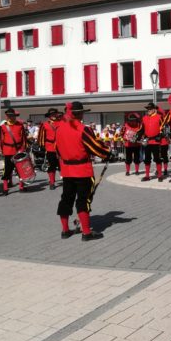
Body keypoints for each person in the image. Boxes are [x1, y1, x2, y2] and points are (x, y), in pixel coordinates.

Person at [55, 101, 110, 241]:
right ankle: (86, 233)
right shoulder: (82, 129)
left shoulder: (59, 128)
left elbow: (57, 149)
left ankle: (65, 230)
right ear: (78, 113)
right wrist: (107, 152)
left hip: (67, 170)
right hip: (82, 170)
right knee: (83, 200)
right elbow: (95, 147)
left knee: (66, 199)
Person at [0, 108, 28, 195]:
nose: (11, 117)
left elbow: (24, 139)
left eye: (12, 115)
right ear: (7, 116)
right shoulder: (2, 127)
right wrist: (0, 150)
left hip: (18, 151)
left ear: (15, 116)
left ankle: (21, 187)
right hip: (8, 151)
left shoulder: (20, 125)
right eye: (9, 116)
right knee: (7, 170)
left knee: (20, 170)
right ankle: (5, 188)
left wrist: (23, 149)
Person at [38, 108, 63, 190]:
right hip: (50, 147)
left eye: (54, 114)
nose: (53, 116)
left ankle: (65, 180)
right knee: (51, 165)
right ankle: (52, 182)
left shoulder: (61, 123)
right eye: (51, 114)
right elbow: (41, 136)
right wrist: (42, 146)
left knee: (62, 165)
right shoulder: (44, 124)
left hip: (61, 146)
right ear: (49, 116)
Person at [139, 102, 164, 181]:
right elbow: (141, 129)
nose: (148, 110)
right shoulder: (144, 118)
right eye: (147, 109)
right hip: (147, 142)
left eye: (150, 109)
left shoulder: (159, 117)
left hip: (156, 141)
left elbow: (163, 128)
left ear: (154, 109)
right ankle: (147, 176)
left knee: (157, 158)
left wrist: (160, 136)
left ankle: (160, 175)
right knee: (147, 159)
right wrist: (137, 135)